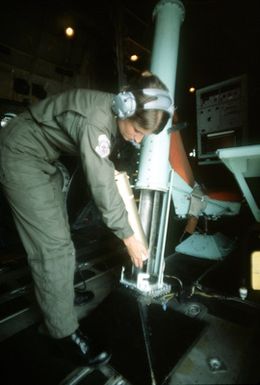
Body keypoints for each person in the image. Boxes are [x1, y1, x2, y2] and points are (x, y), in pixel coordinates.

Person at [0, 71, 173, 366]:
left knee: (59, 238)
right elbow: (101, 184)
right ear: (124, 107)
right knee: (52, 247)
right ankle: (63, 334)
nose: (137, 139)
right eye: (138, 131)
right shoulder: (97, 122)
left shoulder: (109, 115)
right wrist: (129, 235)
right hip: (20, 155)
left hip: (44, 160)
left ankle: (59, 299)